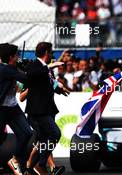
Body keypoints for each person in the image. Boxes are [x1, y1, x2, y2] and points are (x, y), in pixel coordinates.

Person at [25, 42, 69, 175]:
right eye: (51, 52)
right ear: (45, 53)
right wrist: (50, 66)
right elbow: (32, 74)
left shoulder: (46, 69)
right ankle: (40, 164)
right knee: (55, 134)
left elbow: (50, 84)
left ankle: (30, 167)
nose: (52, 55)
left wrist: (60, 90)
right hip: (38, 112)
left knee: (43, 140)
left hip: (47, 110)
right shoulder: (34, 65)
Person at [0, 43, 33, 175]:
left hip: (13, 108)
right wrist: (27, 67)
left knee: (26, 133)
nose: (19, 57)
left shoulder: (10, 68)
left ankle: (16, 160)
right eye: (17, 55)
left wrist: (20, 67)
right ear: (11, 57)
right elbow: (26, 79)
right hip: (1, 109)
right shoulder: (5, 69)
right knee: (0, 137)